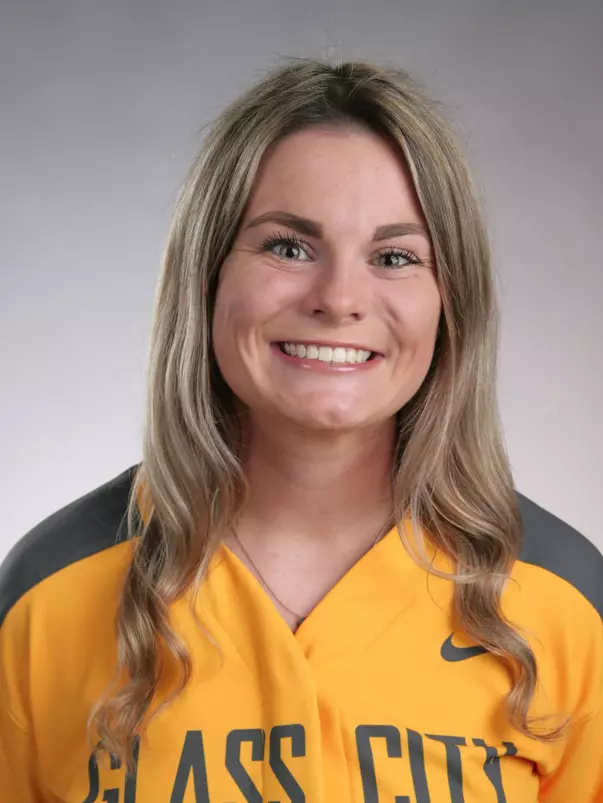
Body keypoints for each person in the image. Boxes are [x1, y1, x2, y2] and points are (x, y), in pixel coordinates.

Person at [0, 57, 601, 803]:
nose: (340, 297)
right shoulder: (48, 594)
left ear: (452, 301)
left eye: (394, 256)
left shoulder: (564, 600)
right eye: (288, 246)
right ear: (208, 271)